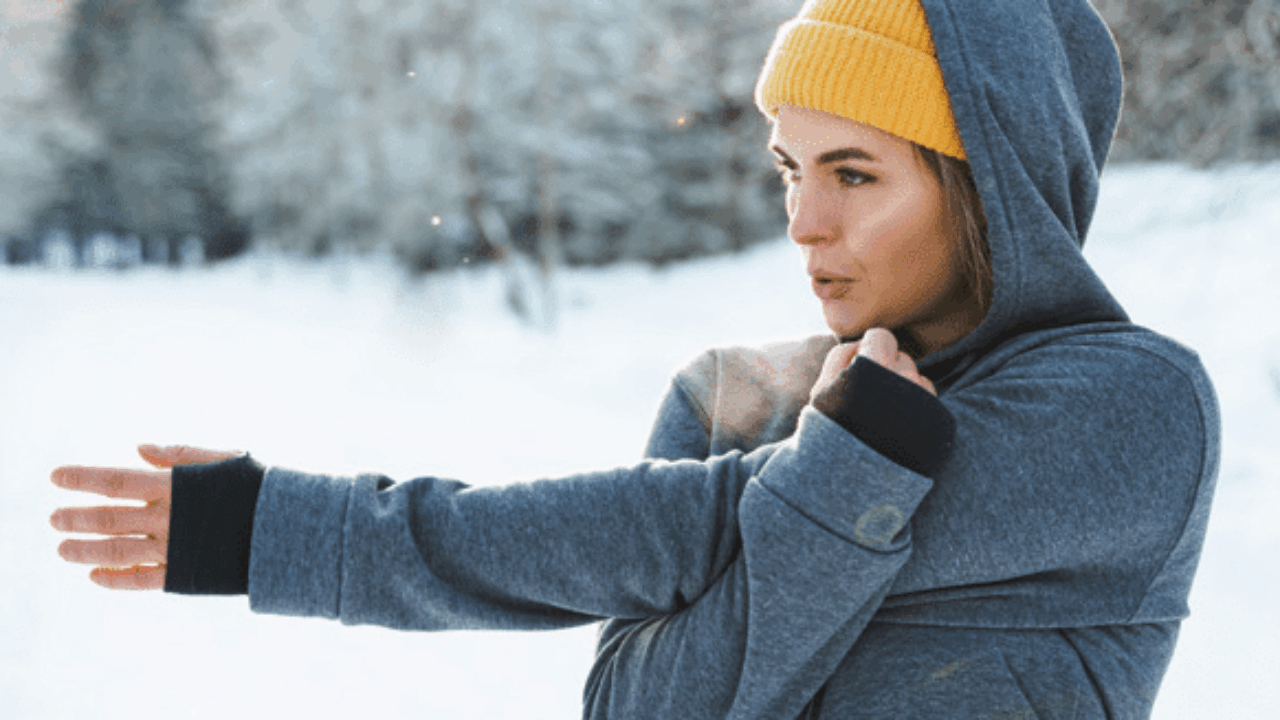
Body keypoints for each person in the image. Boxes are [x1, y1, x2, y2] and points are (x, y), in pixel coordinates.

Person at [50, 0, 1220, 717]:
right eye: (786, 169)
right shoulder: (731, 400)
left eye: (853, 173)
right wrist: (845, 466)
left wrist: (298, 535)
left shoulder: (1127, 405)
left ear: (993, 191)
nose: (803, 224)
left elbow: (690, 531)